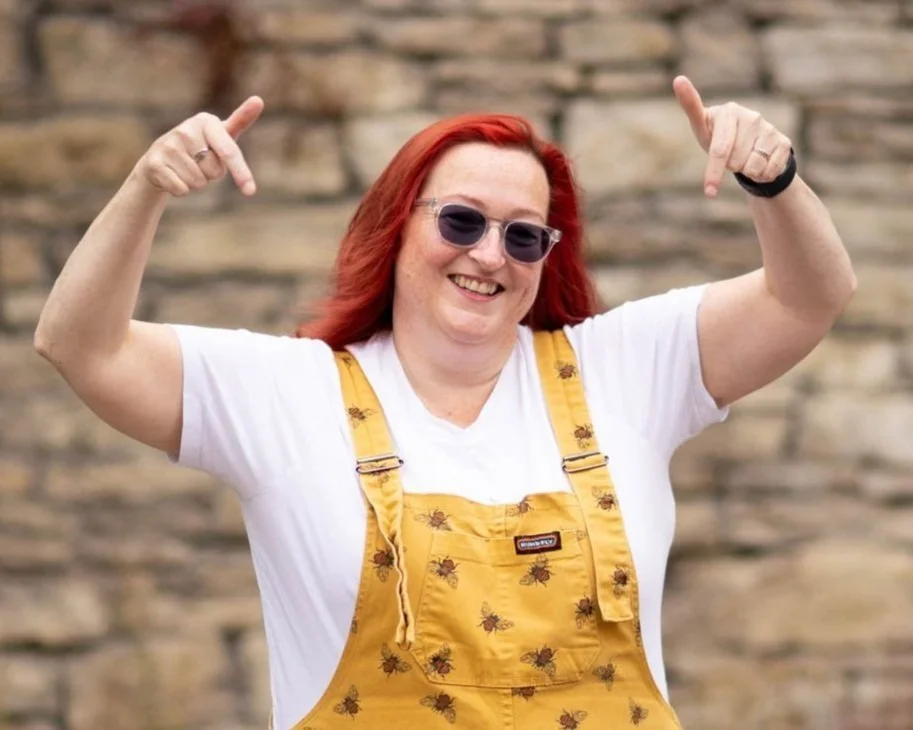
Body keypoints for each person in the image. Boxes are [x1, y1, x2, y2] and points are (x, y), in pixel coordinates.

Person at [34, 75, 856, 729]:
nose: (489, 255)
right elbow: (81, 345)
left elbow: (807, 298)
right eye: (461, 221)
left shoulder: (621, 369)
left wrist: (773, 181)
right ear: (396, 225)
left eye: (522, 235)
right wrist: (146, 188)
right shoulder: (288, 392)